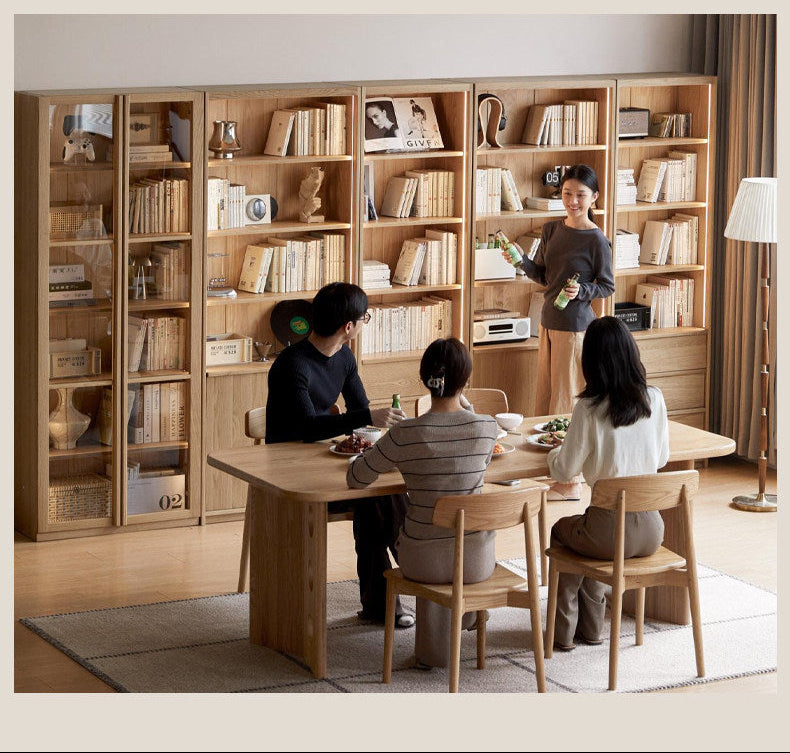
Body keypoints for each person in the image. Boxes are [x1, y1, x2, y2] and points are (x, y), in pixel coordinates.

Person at [265, 282, 415, 628]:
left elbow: (360, 409)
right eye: (365, 318)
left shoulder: (344, 358)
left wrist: (373, 421)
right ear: (349, 326)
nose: (364, 323)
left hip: (328, 463)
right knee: (376, 497)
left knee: (380, 493)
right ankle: (420, 569)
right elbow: (308, 427)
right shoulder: (292, 364)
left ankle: (394, 593)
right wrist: (367, 417)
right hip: (290, 472)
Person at [347, 338, 499, 668]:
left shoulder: (406, 434)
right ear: (466, 380)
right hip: (477, 561)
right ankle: (466, 616)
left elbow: (356, 478)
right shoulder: (487, 427)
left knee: (403, 525)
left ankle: (431, 648)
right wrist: (467, 405)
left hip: (422, 562)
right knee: (451, 541)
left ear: (424, 379)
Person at [545, 316, 670, 651]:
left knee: (563, 533)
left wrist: (555, 451)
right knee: (592, 537)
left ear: (591, 362)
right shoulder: (654, 399)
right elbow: (660, 459)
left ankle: (562, 632)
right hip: (652, 531)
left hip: (608, 533)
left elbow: (564, 471)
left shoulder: (588, 408)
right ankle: (592, 628)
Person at [503, 163, 615, 501]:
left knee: (566, 400)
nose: (573, 201)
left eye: (580, 195)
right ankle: (552, 472)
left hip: (576, 327)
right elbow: (544, 276)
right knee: (545, 398)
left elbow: (607, 286)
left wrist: (581, 291)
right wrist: (520, 261)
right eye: (567, 193)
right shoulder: (551, 230)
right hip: (548, 323)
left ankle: (572, 480)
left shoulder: (597, 240)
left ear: (594, 197)